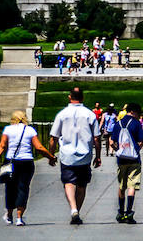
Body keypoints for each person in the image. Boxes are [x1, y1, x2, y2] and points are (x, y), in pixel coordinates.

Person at [49, 87, 102, 225]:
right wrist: (98, 156)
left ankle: (73, 209)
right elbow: (97, 138)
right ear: (83, 98)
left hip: (67, 155)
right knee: (82, 185)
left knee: (68, 182)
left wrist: (50, 155)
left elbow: (53, 138)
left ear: (69, 97)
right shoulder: (89, 114)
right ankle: (77, 210)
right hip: (84, 155)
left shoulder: (62, 114)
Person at [0, 110, 57, 226]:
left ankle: (9, 213)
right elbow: (39, 147)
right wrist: (51, 157)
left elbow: (2, 146)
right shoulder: (30, 130)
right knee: (23, 188)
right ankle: (19, 218)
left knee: (10, 188)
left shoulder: (8, 129)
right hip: (26, 162)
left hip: (11, 162)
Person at [109, 103, 143, 224]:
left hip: (121, 160)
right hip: (134, 160)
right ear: (134, 112)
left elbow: (112, 142)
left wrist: (119, 150)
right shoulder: (136, 123)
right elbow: (140, 141)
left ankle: (120, 212)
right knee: (132, 185)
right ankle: (129, 212)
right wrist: (135, 151)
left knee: (121, 186)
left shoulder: (117, 124)